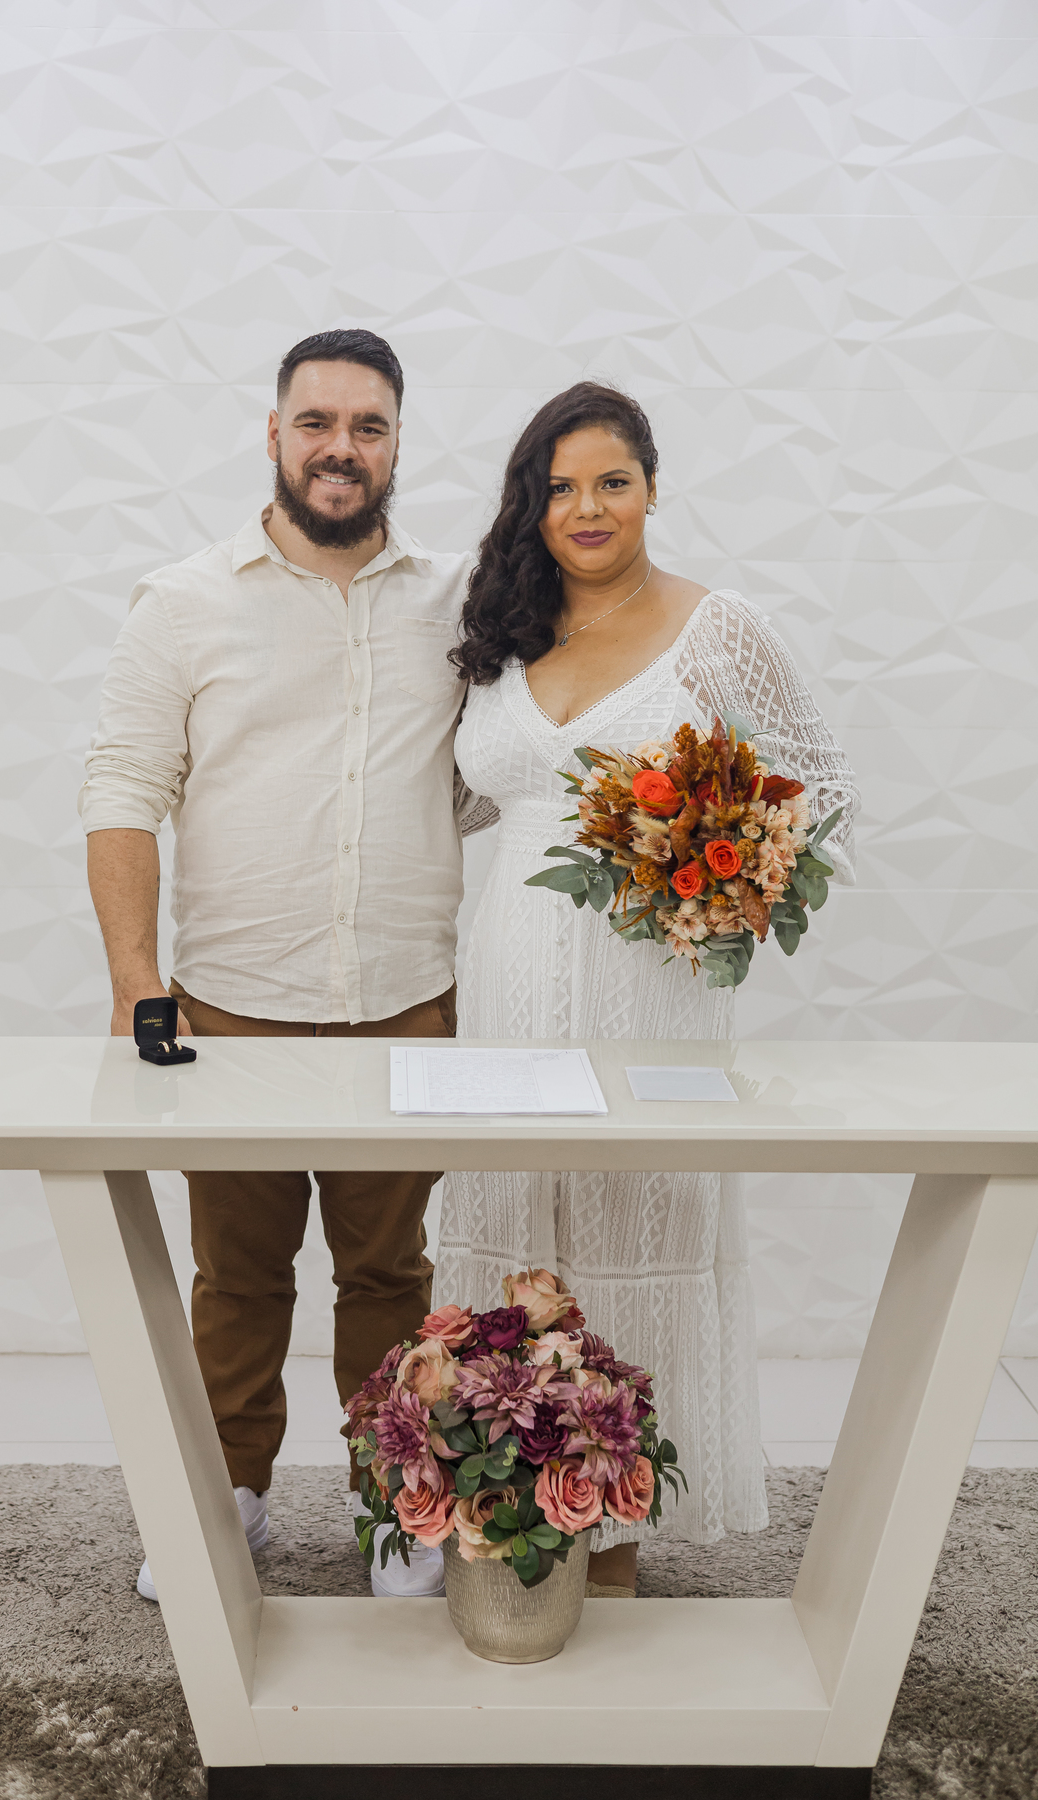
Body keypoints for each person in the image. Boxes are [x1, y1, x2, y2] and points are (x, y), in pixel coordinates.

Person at [80, 328, 492, 1601]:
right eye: (316, 423)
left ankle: (393, 1509)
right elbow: (124, 787)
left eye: (367, 428)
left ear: (397, 446)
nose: (339, 448)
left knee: (391, 1278)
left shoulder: (461, 600)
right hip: (231, 1013)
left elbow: (496, 776)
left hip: (404, 1005)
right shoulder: (184, 599)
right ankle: (231, 1501)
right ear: (273, 434)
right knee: (239, 1278)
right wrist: (135, 976)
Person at [436, 381, 860, 1596]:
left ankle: (619, 1533)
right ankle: (512, 1509)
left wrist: (709, 881)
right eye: (559, 486)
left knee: (635, 1217)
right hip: (506, 971)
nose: (586, 506)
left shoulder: (717, 627)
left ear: (652, 490)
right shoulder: (506, 631)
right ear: (532, 502)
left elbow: (820, 786)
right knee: (514, 1223)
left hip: (652, 984)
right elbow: (473, 798)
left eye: (611, 482)